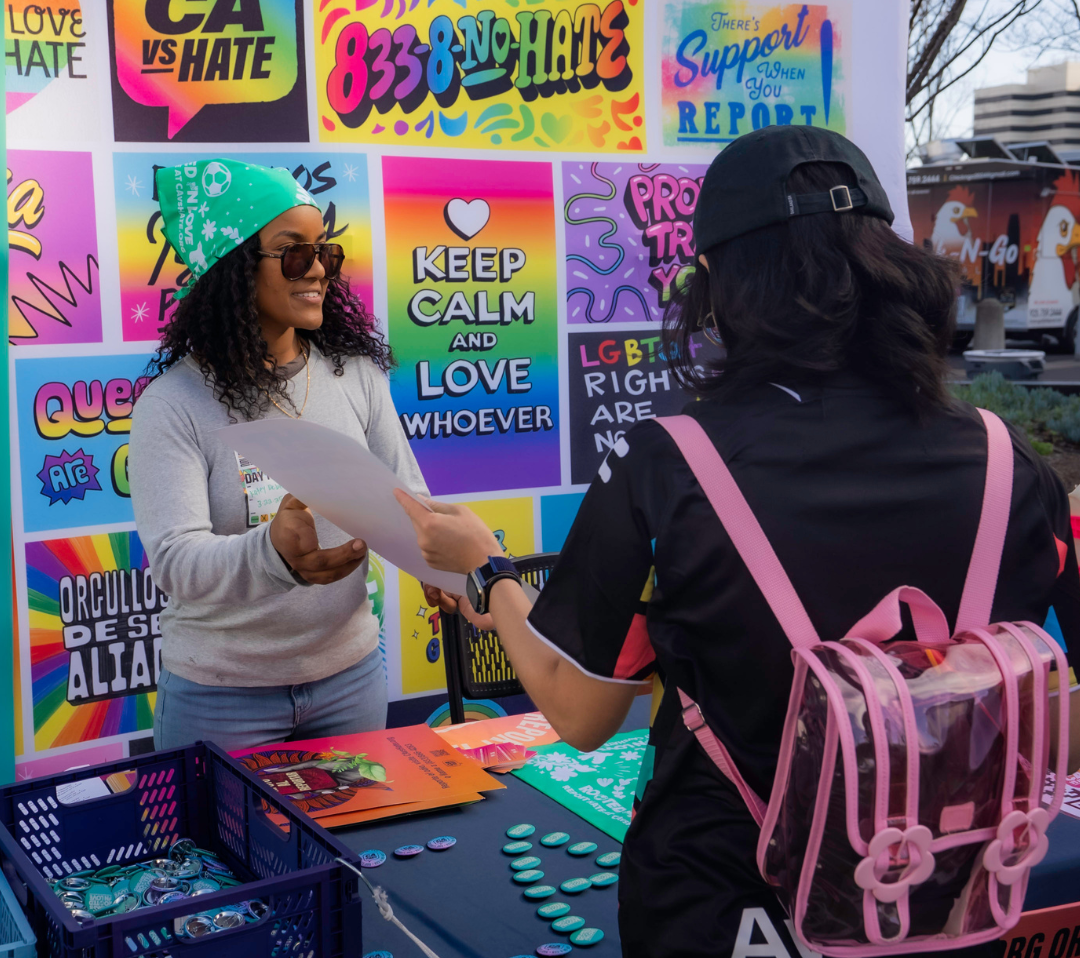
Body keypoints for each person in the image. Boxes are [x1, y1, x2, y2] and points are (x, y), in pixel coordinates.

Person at [397, 126, 1080, 958]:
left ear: (724, 279)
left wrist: (486, 570)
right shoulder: (1014, 464)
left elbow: (579, 712)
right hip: (936, 900)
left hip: (729, 905)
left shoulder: (671, 459)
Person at [130, 158, 434, 752]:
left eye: (325, 252)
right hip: (220, 700)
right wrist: (272, 555)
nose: (318, 269)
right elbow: (174, 560)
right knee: (219, 850)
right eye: (294, 253)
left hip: (352, 682)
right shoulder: (173, 405)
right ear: (233, 268)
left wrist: (440, 565)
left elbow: (407, 497)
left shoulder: (356, 377)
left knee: (353, 846)